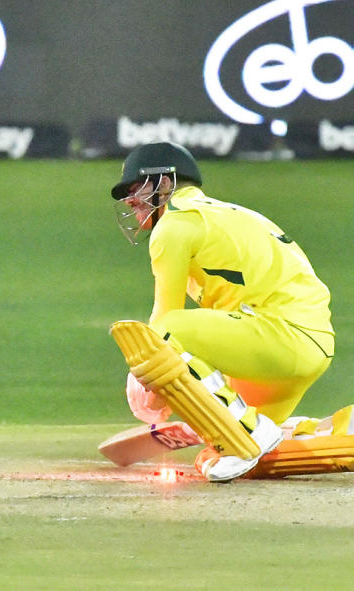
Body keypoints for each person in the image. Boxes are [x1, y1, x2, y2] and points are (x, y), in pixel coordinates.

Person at [108, 141, 335, 482]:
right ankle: (296, 429)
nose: (129, 199)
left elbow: (164, 323)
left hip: (282, 337)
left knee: (164, 333)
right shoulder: (225, 214)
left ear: (166, 185)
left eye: (136, 187)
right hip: (303, 346)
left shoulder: (174, 225)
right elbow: (226, 328)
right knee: (231, 450)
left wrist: (145, 378)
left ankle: (250, 432)